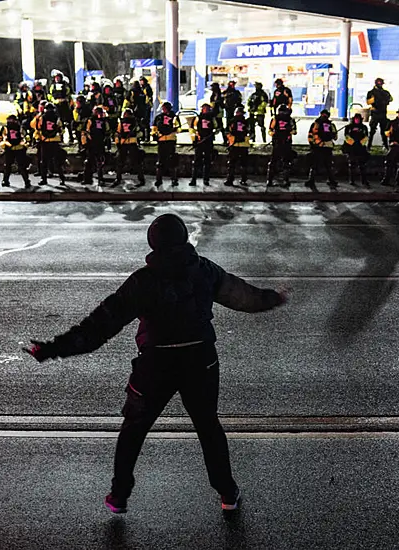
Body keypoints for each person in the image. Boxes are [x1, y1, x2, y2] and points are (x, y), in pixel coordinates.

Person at [25, 213, 287, 515]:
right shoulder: (204, 271)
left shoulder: (143, 281)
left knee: (134, 428)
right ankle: (227, 492)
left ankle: (119, 495)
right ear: (183, 238)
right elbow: (245, 297)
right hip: (201, 360)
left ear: (153, 243)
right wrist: (275, 298)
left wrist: (52, 349)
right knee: (208, 427)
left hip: (155, 364)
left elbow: (100, 325)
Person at [32, 103, 66, 186]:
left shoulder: (42, 118)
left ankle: (45, 179)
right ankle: (61, 179)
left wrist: (38, 138)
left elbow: (36, 128)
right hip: (53, 141)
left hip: (46, 141)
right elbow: (61, 130)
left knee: (45, 162)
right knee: (55, 162)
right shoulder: (56, 118)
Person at [306, 109, 338, 189]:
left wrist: (332, 135)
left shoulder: (330, 125)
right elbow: (311, 135)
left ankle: (331, 180)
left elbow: (335, 137)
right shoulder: (316, 124)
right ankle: (312, 180)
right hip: (319, 147)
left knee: (327, 165)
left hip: (326, 147)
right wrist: (315, 144)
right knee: (316, 165)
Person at [151, 101, 181, 187]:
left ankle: (174, 179)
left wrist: (173, 130)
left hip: (171, 141)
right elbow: (154, 128)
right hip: (161, 141)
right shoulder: (158, 117)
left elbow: (179, 129)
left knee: (172, 160)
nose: (163, 109)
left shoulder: (174, 117)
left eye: (164, 108)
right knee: (160, 161)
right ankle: (159, 180)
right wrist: (154, 135)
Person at [266, 104, 297, 187]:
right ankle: (270, 180)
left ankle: (285, 180)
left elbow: (294, 131)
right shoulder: (275, 119)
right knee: (273, 162)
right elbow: (270, 130)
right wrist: (275, 134)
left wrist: (288, 131)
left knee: (286, 162)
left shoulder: (290, 120)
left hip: (286, 143)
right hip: (277, 143)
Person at [0, 114, 31, 188]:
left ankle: (26, 181)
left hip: (19, 149)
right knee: (7, 166)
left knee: (22, 166)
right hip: (9, 149)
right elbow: (0, 138)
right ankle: (5, 180)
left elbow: (27, 137)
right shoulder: (5, 128)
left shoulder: (21, 128)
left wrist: (25, 145)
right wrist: (4, 144)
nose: (11, 122)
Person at [115, 108, 145, 187]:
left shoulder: (122, 122)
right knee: (136, 162)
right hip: (131, 143)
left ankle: (118, 178)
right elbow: (140, 133)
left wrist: (117, 143)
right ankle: (141, 178)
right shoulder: (135, 122)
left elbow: (117, 133)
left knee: (121, 162)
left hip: (126, 143)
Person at [189, 103, 217, 187]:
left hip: (208, 141)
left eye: (207, 108)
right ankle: (194, 179)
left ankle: (206, 179)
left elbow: (216, 127)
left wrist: (212, 133)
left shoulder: (212, 118)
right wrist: (195, 139)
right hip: (199, 142)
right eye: (204, 108)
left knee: (207, 161)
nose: (206, 110)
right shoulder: (198, 118)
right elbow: (192, 129)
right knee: (196, 161)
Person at [82, 105, 110, 186]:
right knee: (89, 162)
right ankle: (87, 179)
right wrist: (86, 143)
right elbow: (86, 131)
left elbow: (107, 132)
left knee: (99, 162)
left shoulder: (103, 121)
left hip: (99, 143)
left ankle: (100, 179)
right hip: (93, 143)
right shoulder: (91, 120)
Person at [225, 105, 250, 186]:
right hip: (239, 145)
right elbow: (227, 132)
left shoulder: (234, 121)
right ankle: (238, 180)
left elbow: (227, 132)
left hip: (238, 145)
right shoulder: (245, 122)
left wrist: (232, 140)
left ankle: (235, 180)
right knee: (238, 164)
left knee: (235, 164)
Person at [342, 112, 370, 186]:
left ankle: (364, 181)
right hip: (351, 148)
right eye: (356, 119)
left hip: (361, 149)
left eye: (358, 119)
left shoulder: (364, 127)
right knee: (352, 165)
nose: (357, 120)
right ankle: (352, 180)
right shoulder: (349, 127)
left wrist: (361, 143)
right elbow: (346, 136)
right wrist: (352, 143)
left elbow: (366, 136)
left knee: (362, 165)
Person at [365, 77, 392, 150]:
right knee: (372, 131)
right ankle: (369, 145)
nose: (380, 85)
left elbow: (390, 99)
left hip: (383, 113)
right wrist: (373, 100)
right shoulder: (371, 92)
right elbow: (368, 102)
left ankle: (386, 145)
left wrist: (385, 101)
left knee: (384, 131)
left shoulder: (385, 92)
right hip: (375, 113)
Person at [49, 70, 75, 143]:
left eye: (58, 77)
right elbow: (50, 95)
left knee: (68, 122)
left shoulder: (65, 85)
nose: (57, 79)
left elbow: (69, 94)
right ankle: (60, 137)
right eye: (56, 77)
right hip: (56, 106)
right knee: (58, 122)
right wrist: (54, 101)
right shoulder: (52, 86)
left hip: (65, 106)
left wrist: (66, 100)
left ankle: (71, 137)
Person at [139, 76, 154, 142]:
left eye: (141, 80)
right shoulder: (141, 88)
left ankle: (147, 137)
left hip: (147, 106)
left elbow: (149, 96)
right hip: (142, 107)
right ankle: (143, 136)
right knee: (142, 122)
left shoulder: (147, 88)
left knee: (146, 122)